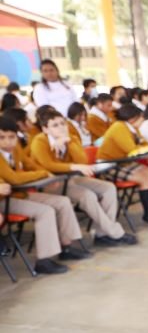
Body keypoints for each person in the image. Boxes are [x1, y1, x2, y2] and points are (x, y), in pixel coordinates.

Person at [30, 106, 137, 246]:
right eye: (55, 125)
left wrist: (69, 142)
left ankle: (102, 233)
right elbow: (48, 165)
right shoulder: (39, 141)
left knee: (109, 188)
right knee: (87, 195)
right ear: (45, 129)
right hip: (50, 183)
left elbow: (82, 161)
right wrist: (74, 166)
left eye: (63, 123)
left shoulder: (72, 138)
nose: (61, 128)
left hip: (70, 179)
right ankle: (114, 232)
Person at [0, 117, 90, 273]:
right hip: (4, 200)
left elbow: (30, 164)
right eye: (2, 138)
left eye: (12, 137)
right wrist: (42, 173)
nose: (8, 142)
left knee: (62, 202)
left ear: (17, 136)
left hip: (19, 194)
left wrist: (48, 174)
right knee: (45, 211)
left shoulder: (16, 150)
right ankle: (44, 261)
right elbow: (13, 178)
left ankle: (66, 247)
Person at [97, 103, 148, 228]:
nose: (143, 121)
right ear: (133, 119)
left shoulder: (132, 128)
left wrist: (146, 150)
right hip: (110, 166)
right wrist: (145, 149)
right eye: (141, 118)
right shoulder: (119, 127)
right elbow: (132, 149)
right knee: (145, 179)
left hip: (124, 163)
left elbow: (144, 143)